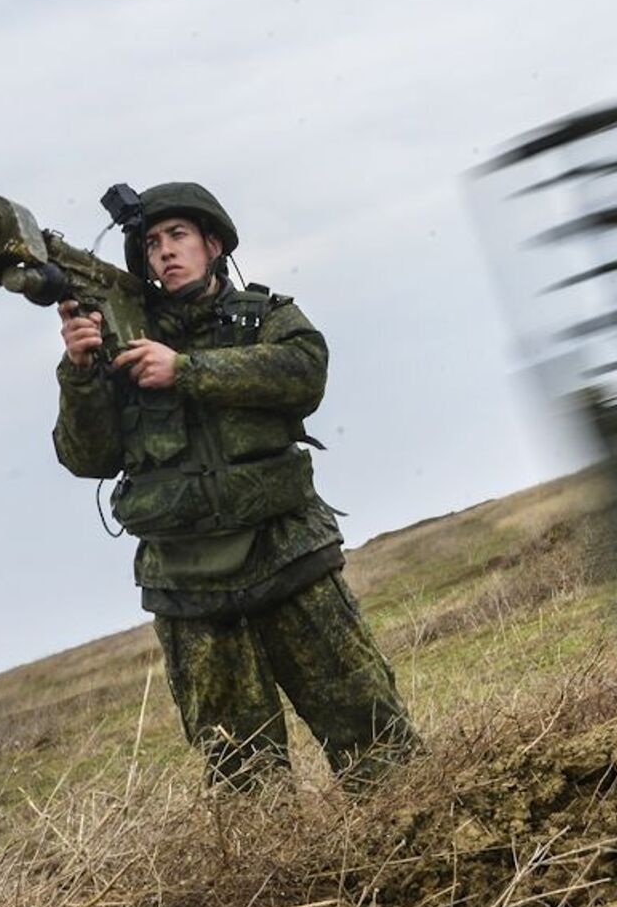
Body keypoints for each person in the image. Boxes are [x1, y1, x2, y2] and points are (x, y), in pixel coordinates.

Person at [53, 182, 417, 791]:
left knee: (373, 736)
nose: (164, 252)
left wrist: (187, 370)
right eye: (151, 243)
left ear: (212, 244)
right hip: (189, 588)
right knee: (243, 776)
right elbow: (86, 457)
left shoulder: (264, 318)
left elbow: (304, 372)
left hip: (289, 559)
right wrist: (81, 373)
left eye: (178, 237)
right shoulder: (119, 344)